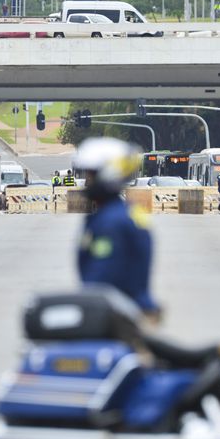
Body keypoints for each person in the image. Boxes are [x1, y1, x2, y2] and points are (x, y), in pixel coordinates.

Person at [74, 137, 161, 320]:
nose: (86, 182)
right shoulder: (125, 213)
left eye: (90, 175)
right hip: (130, 309)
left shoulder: (111, 223)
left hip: (115, 315)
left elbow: (101, 278)